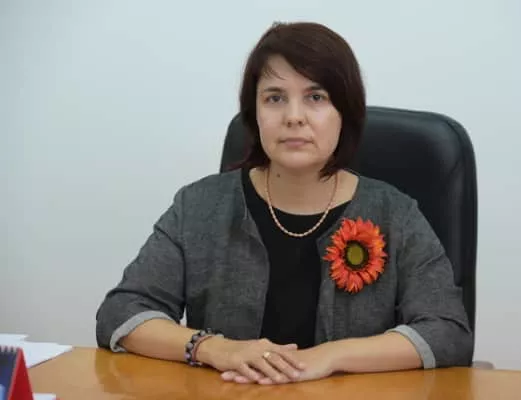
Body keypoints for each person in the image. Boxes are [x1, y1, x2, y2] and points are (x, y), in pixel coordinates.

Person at [95, 21, 473, 385]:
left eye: (316, 97)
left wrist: (330, 356)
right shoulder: (198, 206)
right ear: (254, 113)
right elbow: (121, 312)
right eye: (275, 98)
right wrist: (214, 348)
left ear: (345, 112)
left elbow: (448, 332)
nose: (294, 117)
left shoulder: (396, 215)